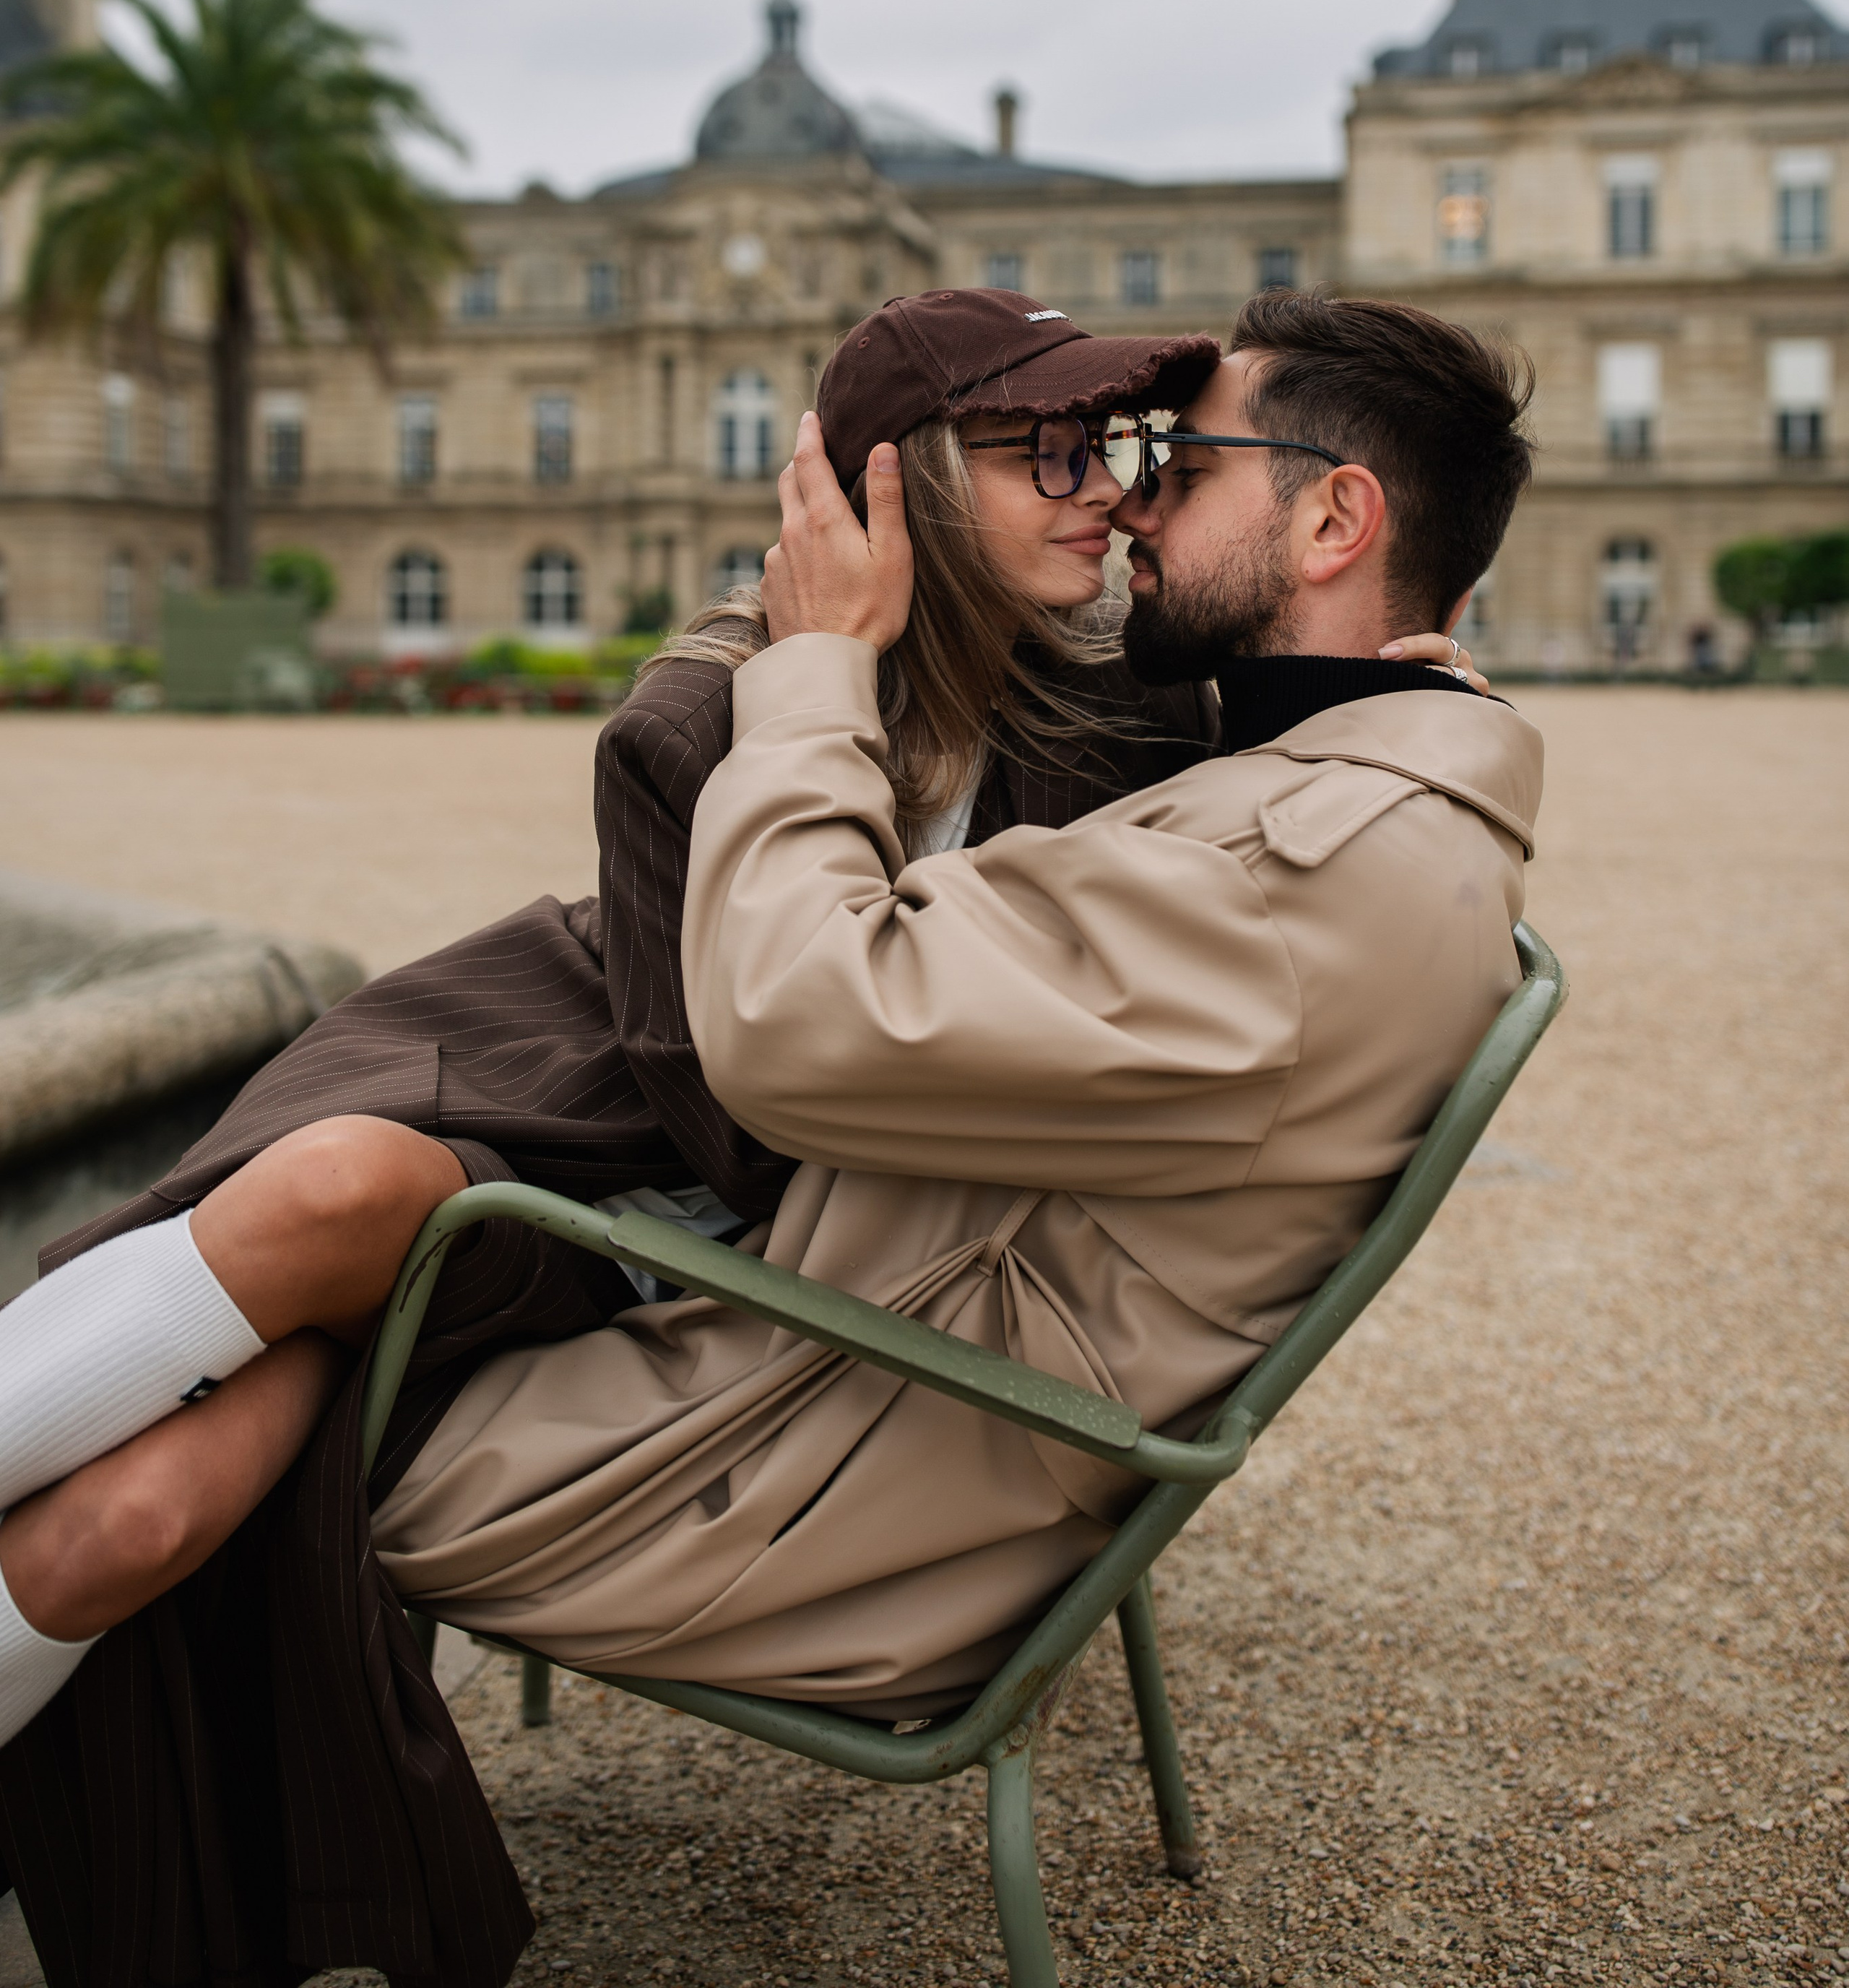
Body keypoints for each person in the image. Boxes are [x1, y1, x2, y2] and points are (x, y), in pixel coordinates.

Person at [0, 288, 1310, 1986]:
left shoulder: (1111, 722)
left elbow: (783, 1172)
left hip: (634, 1228)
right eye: (1043, 448)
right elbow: (748, 1107)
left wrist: (1387, 677)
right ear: (888, 488)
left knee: (129, 1529)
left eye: (1111, 447)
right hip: (509, 1097)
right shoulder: (695, 722)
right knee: (326, 1192)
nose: (1103, 489)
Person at [347, 293, 1537, 1872]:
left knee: (292, 1396)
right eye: (1084, 454)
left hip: (819, 1448)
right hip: (903, 1348)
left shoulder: (1275, 874)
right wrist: (1376, 698)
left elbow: (783, 1027)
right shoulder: (1367, 789)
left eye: (1176, 463)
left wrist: (819, 670)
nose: (1128, 495)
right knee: (312, 1222)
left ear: (1331, 514)